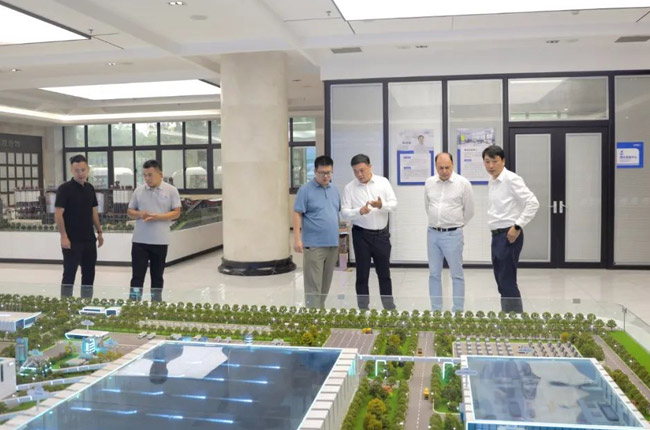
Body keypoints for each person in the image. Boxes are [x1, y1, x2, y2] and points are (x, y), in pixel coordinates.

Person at [483, 145, 539, 313]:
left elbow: (533, 203)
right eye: (487, 161)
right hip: (497, 235)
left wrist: (517, 226)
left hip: (508, 234)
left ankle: (515, 319)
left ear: (503, 161)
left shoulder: (511, 179)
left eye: (494, 161)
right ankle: (508, 316)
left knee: (507, 281)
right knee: (501, 281)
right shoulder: (493, 181)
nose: (490, 166)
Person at [341, 154, 397, 310]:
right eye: (355, 171)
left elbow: (394, 204)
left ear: (370, 167)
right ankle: (363, 309)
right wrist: (359, 211)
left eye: (362, 170)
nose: (359, 174)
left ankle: (389, 308)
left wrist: (381, 205)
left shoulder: (383, 182)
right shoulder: (349, 188)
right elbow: (344, 212)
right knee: (362, 275)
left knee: (384, 274)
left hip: (381, 236)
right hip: (361, 236)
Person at [424, 152, 474, 312]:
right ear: (435, 167)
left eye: (447, 167)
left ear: (453, 165)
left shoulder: (463, 183)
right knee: (434, 274)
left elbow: (469, 211)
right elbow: (428, 207)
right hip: (433, 234)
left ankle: (457, 311)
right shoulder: (429, 183)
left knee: (456, 275)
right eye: (441, 168)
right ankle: (436, 310)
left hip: (453, 234)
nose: (444, 171)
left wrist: (456, 224)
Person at [127, 159, 181, 302]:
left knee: (157, 276)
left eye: (150, 175)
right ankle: (134, 303)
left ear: (160, 174)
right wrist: (140, 214)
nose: (147, 178)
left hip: (160, 241)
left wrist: (158, 217)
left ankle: (156, 303)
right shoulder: (139, 190)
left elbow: (176, 213)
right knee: (137, 276)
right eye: (144, 175)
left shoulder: (171, 190)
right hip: (140, 241)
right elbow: (130, 211)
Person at [293, 155, 341, 308]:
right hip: (314, 245)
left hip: (332, 244)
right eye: (322, 173)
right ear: (315, 171)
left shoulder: (335, 190)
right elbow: (297, 213)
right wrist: (297, 239)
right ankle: (313, 317)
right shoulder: (305, 190)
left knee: (325, 285)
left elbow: (336, 213)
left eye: (328, 173)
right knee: (313, 286)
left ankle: (319, 311)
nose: (326, 176)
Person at [55, 154, 103, 299]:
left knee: (89, 273)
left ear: (88, 170)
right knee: (69, 273)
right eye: (77, 170)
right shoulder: (64, 189)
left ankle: (86, 302)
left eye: (83, 170)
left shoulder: (90, 188)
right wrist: (63, 236)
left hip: (89, 239)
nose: (80, 173)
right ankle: (65, 304)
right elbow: (58, 214)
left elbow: (94, 212)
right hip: (72, 240)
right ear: (72, 170)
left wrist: (99, 232)